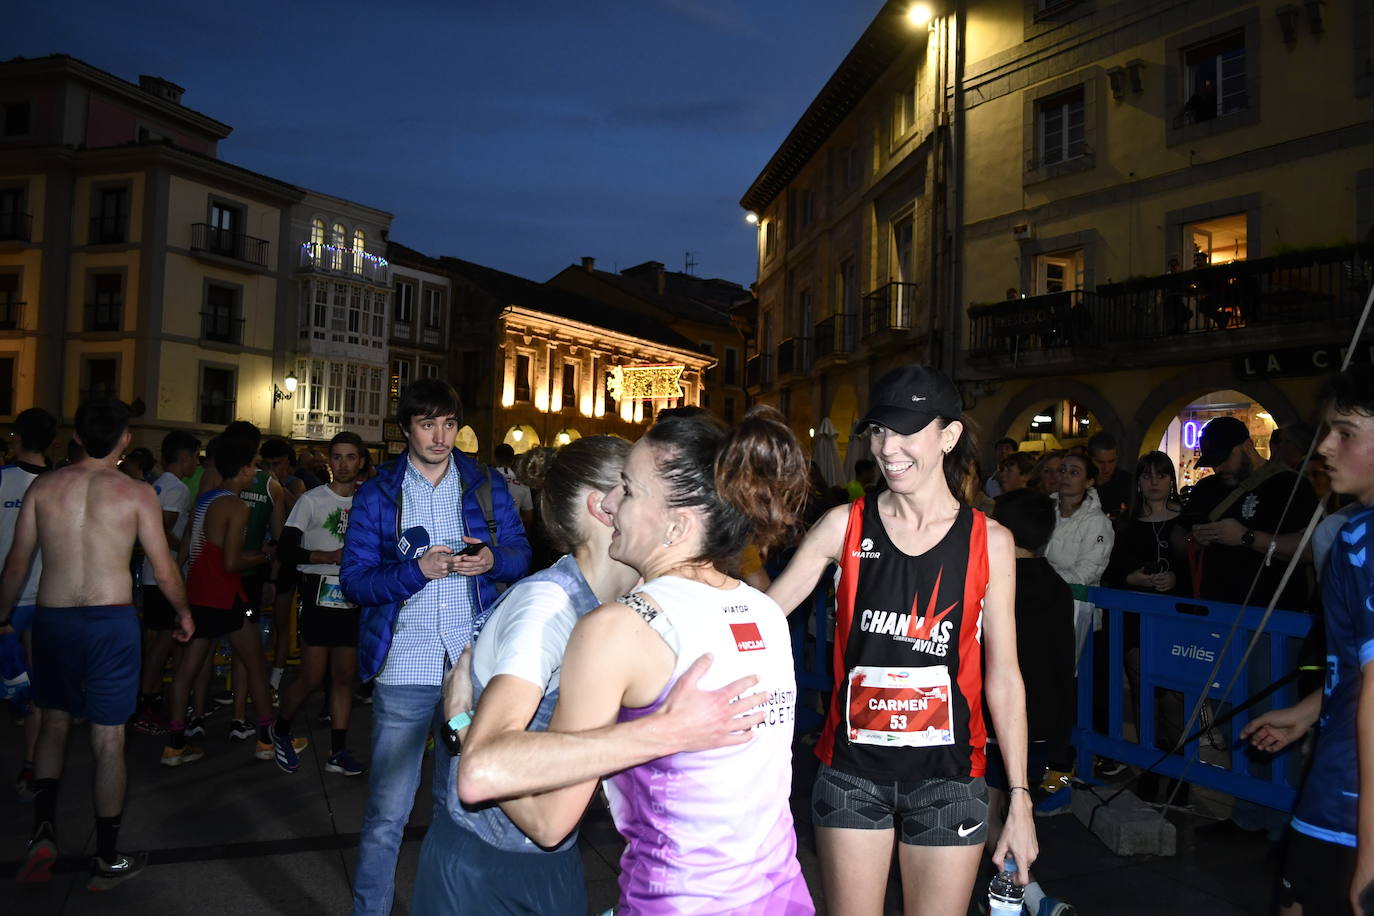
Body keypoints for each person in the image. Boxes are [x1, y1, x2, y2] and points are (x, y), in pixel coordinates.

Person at [455, 405, 814, 913]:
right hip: (780, 898)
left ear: (676, 526)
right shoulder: (765, 612)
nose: (610, 504)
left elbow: (539, 813)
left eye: (628, 488)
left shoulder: (618, 631)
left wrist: (461, 717)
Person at [767, 365, 1037, 914]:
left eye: (907, 430)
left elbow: (1003, 674)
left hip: (950, 779)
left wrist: (1020, 798)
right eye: (879, 430)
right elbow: (766, 616)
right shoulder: (844, 524)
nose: (888, 447)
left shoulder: (992, 542)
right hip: (852, 774)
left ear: (950, 435)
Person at [410, 436, 638, 913]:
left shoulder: (618, 604)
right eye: (643, 489)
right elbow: (497, 770)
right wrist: (457, 722)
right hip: (488, 868)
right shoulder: (548, 608)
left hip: (542, 858)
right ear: (605, 508)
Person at [341, 379, 530, 916]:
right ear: (405, 430)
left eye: (448, 423)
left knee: (460, 806)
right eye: (428, 424)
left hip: (469, 667)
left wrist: (493, 559)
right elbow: (355, 581)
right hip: (405, 665)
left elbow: (520, 553)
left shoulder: (486, 484)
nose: (441, 435)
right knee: (387, 813)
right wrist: (415, 572)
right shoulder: (379, 494)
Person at [2, 398, 193, 890]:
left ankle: (44, 830)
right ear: (125, 440)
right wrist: (183, 612)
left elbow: (18, 562)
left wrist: (1, 615)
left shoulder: (44, 488)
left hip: (55, 618)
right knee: (109, 738)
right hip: (111, 621)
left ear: (79, 437)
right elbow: (164, 565)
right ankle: (106, 858)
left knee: (53, 724)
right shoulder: (135, 493)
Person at [1239, 366, 1374, 915]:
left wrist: (1369, 854)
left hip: (1348, 806)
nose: (1324, 447)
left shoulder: (1361, 540)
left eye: (1346, 432)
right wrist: (1311, 710)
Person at [160, 437, 282, 767]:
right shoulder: (237, 506)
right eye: (254, 465)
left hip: (199, 593)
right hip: (226, 596)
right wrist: (262, 556)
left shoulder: (207, 498)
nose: (256, 470)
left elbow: (192, 546)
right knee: (256, 666)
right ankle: (267, 742)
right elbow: (231, 563)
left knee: (186, 671)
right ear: (244, 469)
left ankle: (174, 744)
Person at [987, 488, 1076, 916]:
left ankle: (1024, 896)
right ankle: (1018, 895)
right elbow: (1065, 664)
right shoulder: (1058, 588)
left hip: (995, 720)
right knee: (1014, 806)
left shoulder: (993, 583)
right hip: (1042, 720)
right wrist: (1063, 737)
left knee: (988, 809)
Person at [270, 431, 367, 776]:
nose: (343, 464)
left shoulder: (368, 502)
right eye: (337, 457)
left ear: (361, 461)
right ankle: (280, 729)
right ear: (329, 461)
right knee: (312, 675)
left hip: (354, 594)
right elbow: (286, 549)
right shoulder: (311, 500)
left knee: (344, 676)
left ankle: (338, 752)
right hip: (318, 590)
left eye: (350, 457)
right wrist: (328, 555)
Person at [1180, 416, 1319, 611]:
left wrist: (1246, 537)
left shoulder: (1290, 485)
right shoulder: (1206, 488)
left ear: (1247, 446)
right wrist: (1194, 540)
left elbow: (1310, 550)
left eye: (1225, 458)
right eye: (1213, 461)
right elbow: (1179, 538)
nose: (1218, 468)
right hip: (1215, 610)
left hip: (1273, 615)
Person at [1041, 452, 1113, 794]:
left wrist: (1042, 575)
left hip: (1079, 617)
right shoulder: (1045, 510)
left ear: (1089, 481)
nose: (1066, 476)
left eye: (1075, 472)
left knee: (1074, 695)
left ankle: (1068, 766)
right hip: (1043, 612)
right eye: (1062, 470)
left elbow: (1087, 573)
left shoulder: (1097, 522)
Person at [0, 407, 57, 799]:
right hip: (51, 600)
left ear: (16, 437)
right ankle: (31, 768)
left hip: (7, 600)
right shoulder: (62, 485)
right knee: (42, 692)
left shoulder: (1, 480)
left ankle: (31, 768)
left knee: (32, 690)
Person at [133, 431, 200, 733]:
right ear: (185, 458)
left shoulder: (157, 484)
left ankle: (150, 698)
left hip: (151, 574)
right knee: (162, 642)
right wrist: (187, 547)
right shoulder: (177, 489)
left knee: (158, 640)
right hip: (163, 575)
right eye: (195, 458)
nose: (196, 464)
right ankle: (147, 703)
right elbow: (162, 529)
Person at [1088, 432, 1132, 521]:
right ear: (1089, 459)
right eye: (1100, 462)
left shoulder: (1128, 482)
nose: (1106, 468)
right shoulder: (1080, 483)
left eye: (1111, 461)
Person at [492, 442, 535, 532]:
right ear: (512, 461)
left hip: (489, 531)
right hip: (513, 532)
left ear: (494, 459)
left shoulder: (485, 479)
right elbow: (528, 517)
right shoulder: (523, 484)